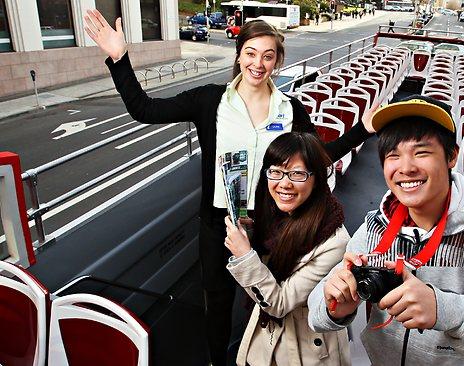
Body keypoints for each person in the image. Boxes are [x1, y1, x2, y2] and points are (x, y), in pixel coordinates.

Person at [83, 10, 374, 365]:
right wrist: (119, 58)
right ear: (239, 55)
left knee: (270, 299)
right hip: (219, 224)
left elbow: (317, 157)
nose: (258, 63)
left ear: (277, 61)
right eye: (251, 53)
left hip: (273, 224)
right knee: (217, 302)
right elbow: (144, 109)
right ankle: (218, 360)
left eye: (268, 55)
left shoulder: (290, 109)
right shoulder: (210, 101)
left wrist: (364, 130)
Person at [308, 95, 464, 365]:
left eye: (421, 152)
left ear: (452, 156)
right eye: (393, 155)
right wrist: (335, 307)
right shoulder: (376, 226)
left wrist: (450, 312)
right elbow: (316, 314)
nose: (405, 168)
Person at [224, 132, 350, 366]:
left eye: (297, 174)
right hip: (265, 340)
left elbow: (279, 303)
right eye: (276, 172)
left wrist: (244, 256)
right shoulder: (274, 217)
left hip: (306, 351)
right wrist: (250, 236)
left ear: (317, 178)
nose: (284, 183)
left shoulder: (334, 241)